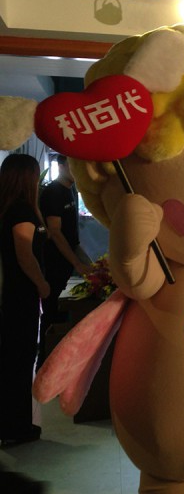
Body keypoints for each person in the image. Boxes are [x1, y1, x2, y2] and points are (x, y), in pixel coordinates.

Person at [0, 153, 49, 446]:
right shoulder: (21, 211)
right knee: (19, 359)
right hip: (20, 295)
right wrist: (42, 284)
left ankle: (13, 423)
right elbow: (24, 255)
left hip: (14, 294)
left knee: (14, 358)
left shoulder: (11, 208)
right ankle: (15, 427)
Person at [38, 154, 91, 365]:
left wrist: (86, 262)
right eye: (73, 165)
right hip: (53, 263)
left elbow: (71, 237)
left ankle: (58, 361)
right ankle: (44, 361)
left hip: (66, 262)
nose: (77, 169)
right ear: (60, 165)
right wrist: (77, 263)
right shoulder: (53, 192)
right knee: (52, 311)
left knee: (62, 310)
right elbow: (55, 233)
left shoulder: (70, 190)